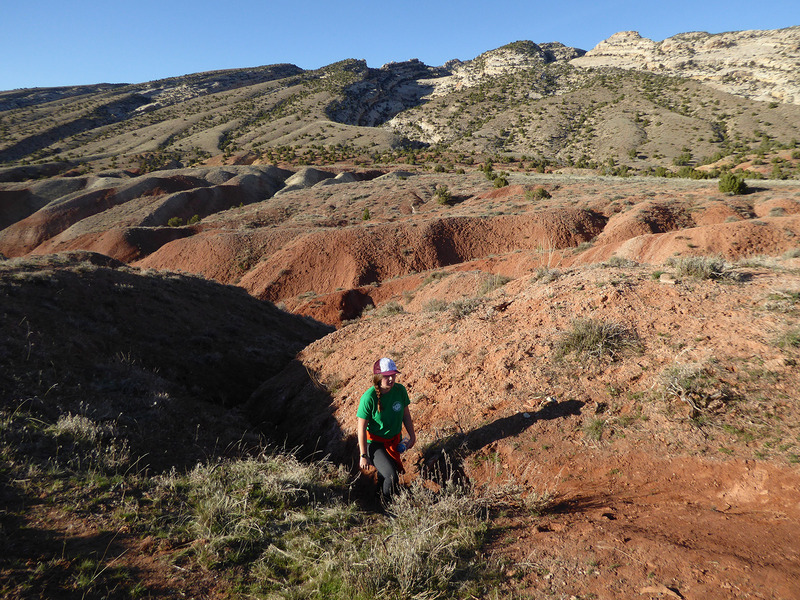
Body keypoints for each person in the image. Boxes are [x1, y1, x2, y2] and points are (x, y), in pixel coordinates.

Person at [357, 357, 416, 499]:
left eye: (393, 375)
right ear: (378, 377)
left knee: (385, 474)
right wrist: (363, 455)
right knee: (391, 475)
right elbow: (361, 429)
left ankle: (377, 499)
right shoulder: (369, 398)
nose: (391, 379)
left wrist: (412, 436)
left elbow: (406, 415)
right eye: (386, 376)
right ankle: (387, 505)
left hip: (394, 441)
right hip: (374, 444)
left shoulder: (400, 390)